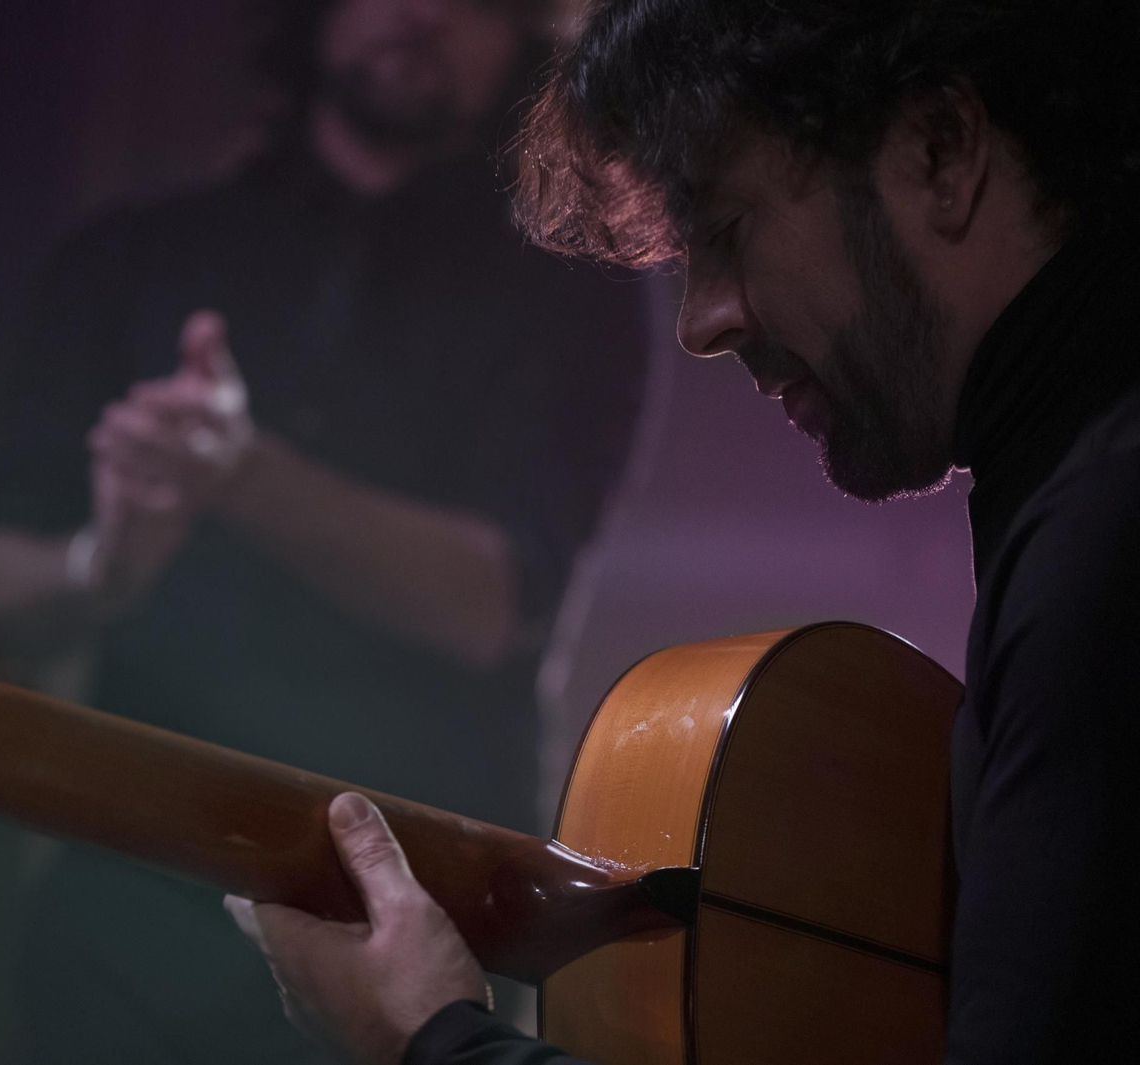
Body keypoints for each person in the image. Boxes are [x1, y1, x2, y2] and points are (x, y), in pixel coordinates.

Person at [226, 1, 1140, 1063]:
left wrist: (433, 1041)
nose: (702, 323)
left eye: (725, 233)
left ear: (940, 150)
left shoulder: (1103, 545)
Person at [0, 1, 649, 1061]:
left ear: (527, 32)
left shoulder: (570, 294)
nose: (421, 14)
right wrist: (100, 567)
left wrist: (240, 476)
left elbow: (494, 605)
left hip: (421, 939)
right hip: (127, 925)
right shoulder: (129, 257)